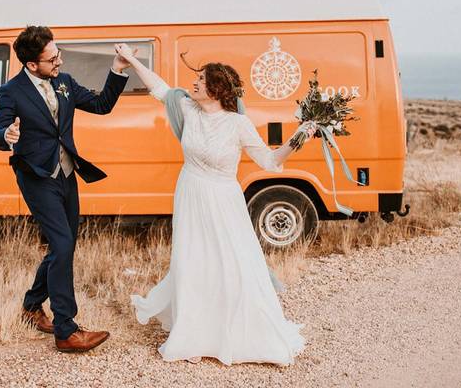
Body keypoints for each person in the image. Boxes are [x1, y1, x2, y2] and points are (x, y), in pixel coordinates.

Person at [115, 42, 315, 366]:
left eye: (201, 79)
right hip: (190, 193)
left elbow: (268, 159)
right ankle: (194, 335)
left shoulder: (238, 124)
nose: (194, 83)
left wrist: (295, 140)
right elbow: (159, 86)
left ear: (217, 89)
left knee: (231, 262)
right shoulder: (186, 109)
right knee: (192, 261)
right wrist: (131, 61)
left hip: (223, 200)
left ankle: (239, 332)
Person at [0, 25, 130, 353]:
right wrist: (5, 135)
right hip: (36, 176)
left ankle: (31, 305)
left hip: (67, 174)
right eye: (53, 59)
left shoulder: (64, 83)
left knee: (62, 245)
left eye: (59, 54)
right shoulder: (12, 91)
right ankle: (66, 330)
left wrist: (117, 71)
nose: (60, 62)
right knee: (63, 244)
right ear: (32, 64)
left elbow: (101, 105)